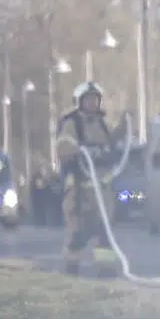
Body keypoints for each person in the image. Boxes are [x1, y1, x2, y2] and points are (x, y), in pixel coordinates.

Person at [56, 81, 124, 277]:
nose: (93, 104)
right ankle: (71, 271)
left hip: (102, 191)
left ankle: (106, 272)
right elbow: (63, 146)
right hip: (79, 190)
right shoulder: (72, 123)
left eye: (95, 99)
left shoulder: (102, 123)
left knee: (105, 232)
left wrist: (124, 129)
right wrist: (80, 150)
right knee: (78, 233)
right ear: (79, 101)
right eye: (88, 100)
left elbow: (111, 145)